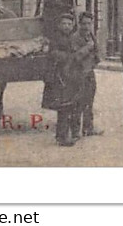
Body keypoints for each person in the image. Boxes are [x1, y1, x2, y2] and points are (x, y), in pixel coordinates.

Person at [42, 12, 82, 146]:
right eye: (64, 24)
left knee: (74, 104)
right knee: (63, 107)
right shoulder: (55, 38)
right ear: (59, 25)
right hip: (60, 76)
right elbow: (53, 54)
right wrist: (69, 56)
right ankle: (62, 137)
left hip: (73, 75)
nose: (66, 26)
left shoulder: (75, 37)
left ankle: (74, 132)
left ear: (73, 25)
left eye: (69, 24)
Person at [74, 12, 102, 136]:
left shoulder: (90, 36)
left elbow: (97, 52)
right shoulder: (75, 37)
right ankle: (75, 131)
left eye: (89, 23)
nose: (86, 26)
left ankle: (88, 128)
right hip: (78, 74)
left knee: (89, 101)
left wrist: (95, 60)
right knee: (78, 103)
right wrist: (88, 47)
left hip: (89, 72)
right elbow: (76, 57)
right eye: (84, 23)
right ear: (79, 24)